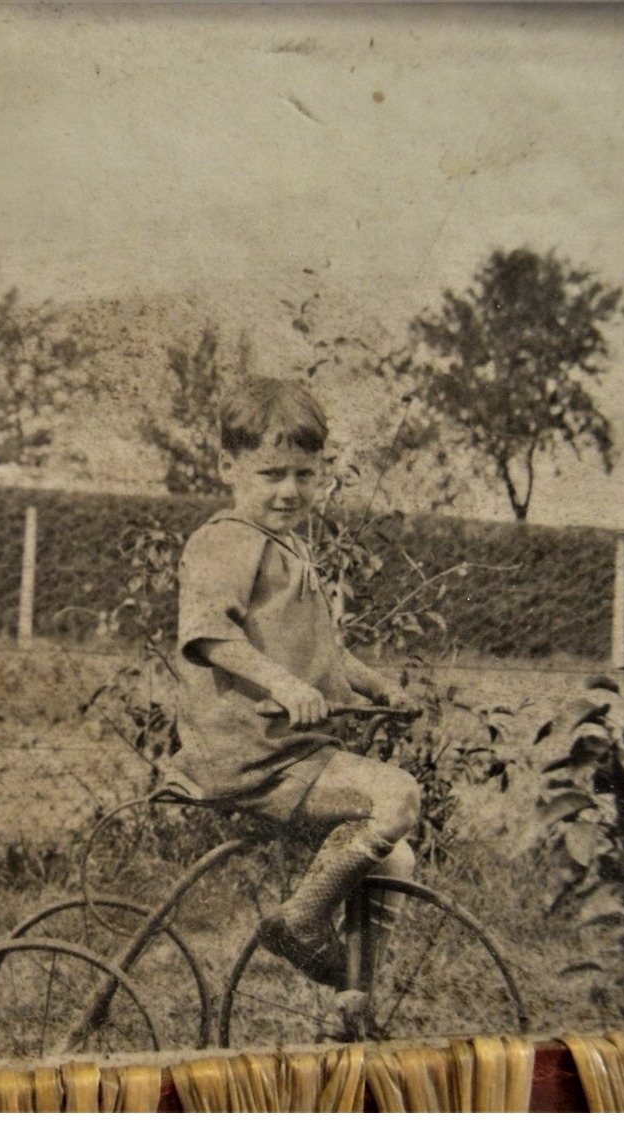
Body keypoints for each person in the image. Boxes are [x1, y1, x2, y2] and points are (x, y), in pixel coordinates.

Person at [168, 377, 420, 1003]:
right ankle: (302, 921)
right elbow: (207, 634)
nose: (289, 491)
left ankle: (352, 1004)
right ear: (228, 467)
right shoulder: (226, 539)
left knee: (394, 859)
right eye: (270, 474)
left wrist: (375, 686)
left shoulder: (287, 547)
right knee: (398, 797)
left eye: (305, 475)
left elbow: (322, 652)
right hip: (252, 754)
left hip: (291, 752)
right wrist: (281, 683)